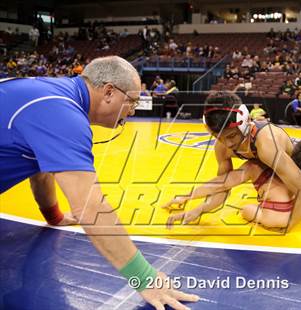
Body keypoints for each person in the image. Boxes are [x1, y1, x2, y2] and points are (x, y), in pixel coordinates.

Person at [0, 56, 199, 309]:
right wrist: (145, 278)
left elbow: (40, 167)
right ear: (108, 92)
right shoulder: (63, 114)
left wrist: (53, 215)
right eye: (132, 101)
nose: (133, 110)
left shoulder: (54, 97)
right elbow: (90, 207)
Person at [162, 91, 301, 231]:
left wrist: (289, 226)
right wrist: (198, 209)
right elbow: (223, 185)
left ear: (244, 121)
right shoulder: (222, 147)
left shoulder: (266, 144)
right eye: (219, 137)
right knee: (253, 167)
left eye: (231, 136)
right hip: (283, 178)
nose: (228, 144)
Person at [163, 138, 301, 229]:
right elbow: (222, 183)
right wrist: (189, 198)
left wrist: (289, 224)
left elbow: (235, 195)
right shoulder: (259, 165)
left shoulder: (272, 161)